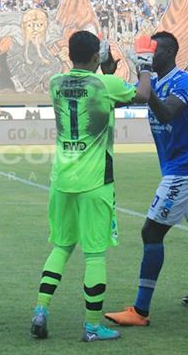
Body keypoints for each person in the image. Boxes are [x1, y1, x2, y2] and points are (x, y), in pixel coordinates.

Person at [30, 31, 151, 342]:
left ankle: (41, 310)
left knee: (61, 247)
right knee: (94, 255)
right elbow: (143, 95)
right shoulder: (105, 84)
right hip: (95, 181)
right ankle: (92, 326)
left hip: (62, 179)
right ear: (98, 57)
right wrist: (145, 66)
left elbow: (92, 96)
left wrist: (104, 70)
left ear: (71, 55)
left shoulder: (56, 83)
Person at [105, 32, 188, 326]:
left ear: (170, 52)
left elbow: (167, 114)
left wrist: (146, 74)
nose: (148, 55)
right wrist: (108, 75)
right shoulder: (154, 82)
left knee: (151, 232)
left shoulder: (183, 82)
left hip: (186, 168)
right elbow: (122, 99)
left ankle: (141, 310)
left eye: (154, 51)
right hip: (178, 167)